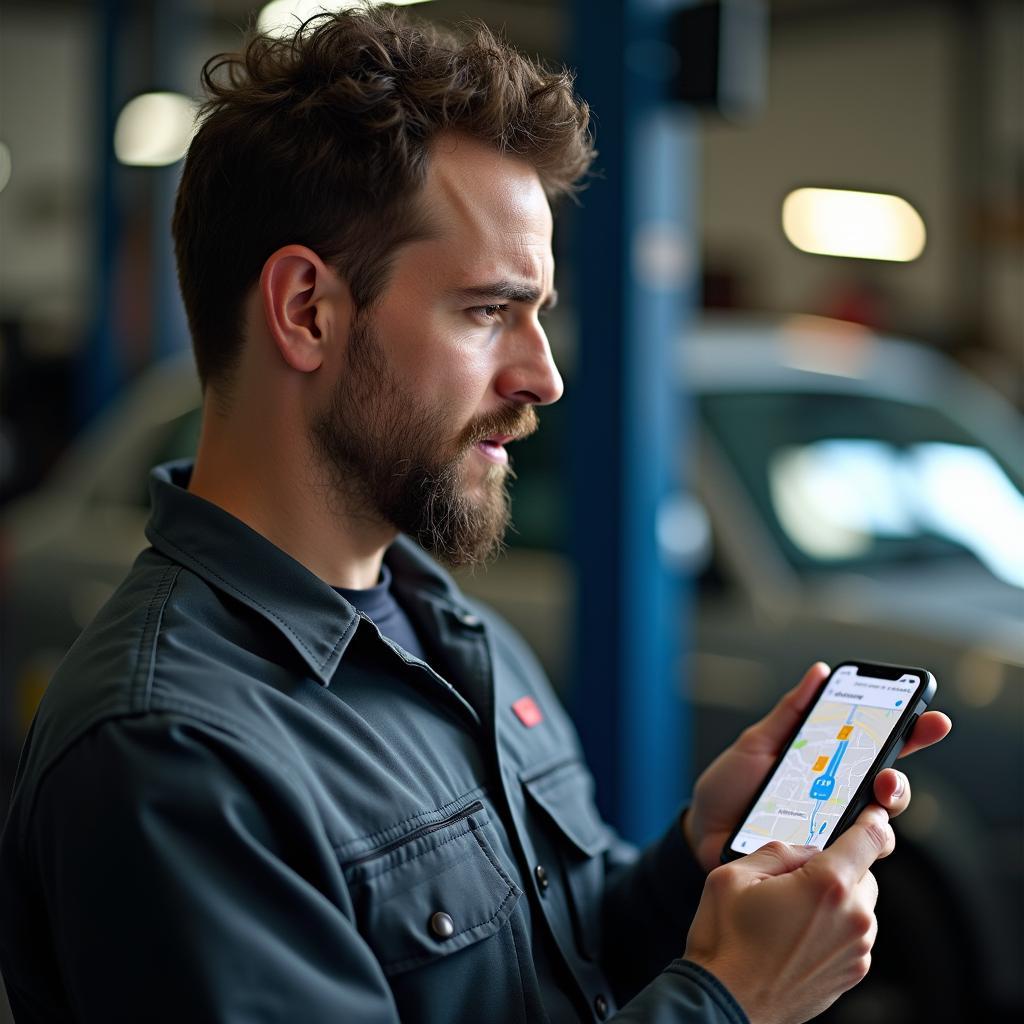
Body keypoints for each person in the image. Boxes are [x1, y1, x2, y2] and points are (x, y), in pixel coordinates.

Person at [0, 8, 950, 1023]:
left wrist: (688, 868)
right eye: (488, 311)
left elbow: (553, 969)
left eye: (536, 313)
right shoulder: (175, 752)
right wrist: (728, 1001)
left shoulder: (453, 634)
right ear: (307, 310)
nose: (541, 375)